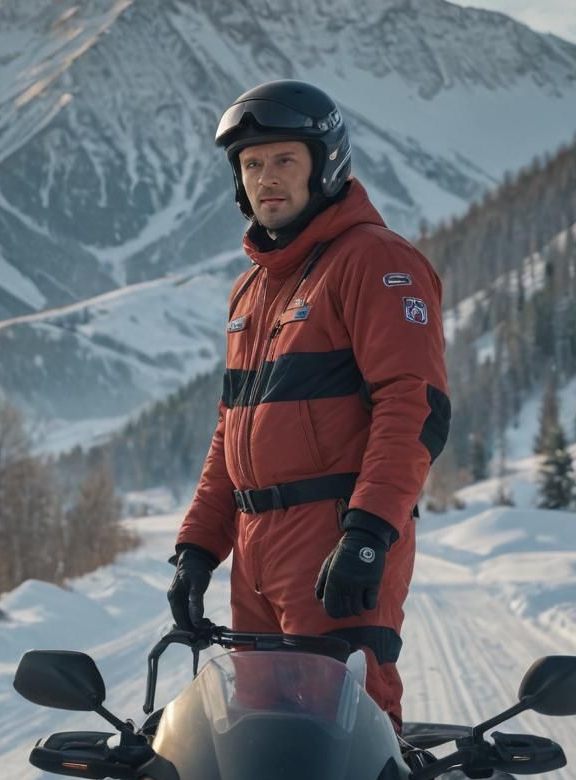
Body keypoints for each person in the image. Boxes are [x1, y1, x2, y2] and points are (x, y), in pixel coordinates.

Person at [167, 80, 450, 729]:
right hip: (255, 549)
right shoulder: (251, 291)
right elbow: (230, 432)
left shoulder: (375, 261)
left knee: (344, 736)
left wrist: (369, 533)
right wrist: (197, 550)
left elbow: (415, 405)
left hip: (334, 539)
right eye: (252, 164)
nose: (267, 178)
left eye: (284, 160)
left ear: (325, 164)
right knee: (260, 741)